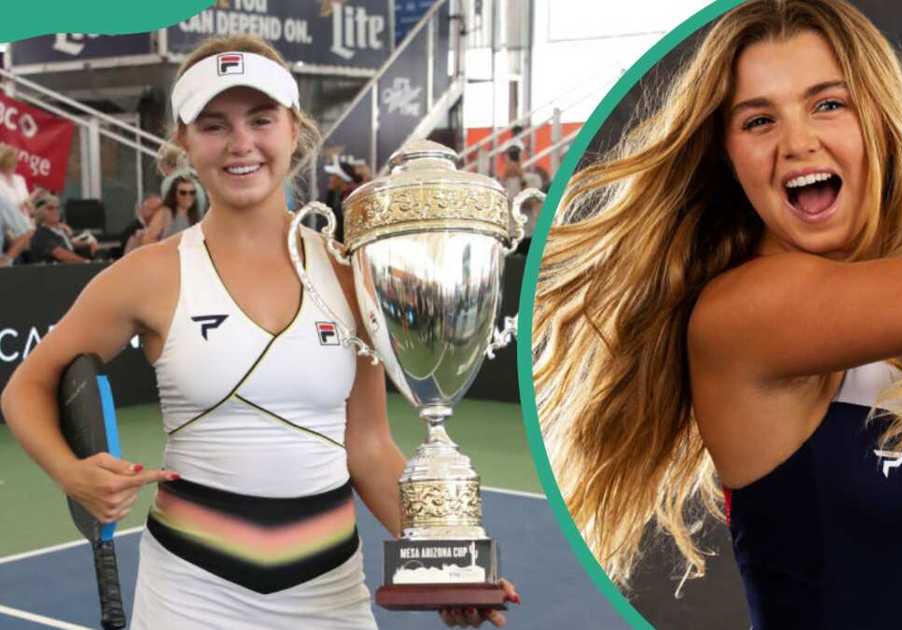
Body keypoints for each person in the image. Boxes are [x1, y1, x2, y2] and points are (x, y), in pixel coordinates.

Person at [533, 1, 902, 628]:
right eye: (759, 120)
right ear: (728, 156)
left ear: (879, 118)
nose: (797, 142)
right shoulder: (748, 312)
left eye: (827, 104)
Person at [1, 34, 516, 628]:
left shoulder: (352, 272)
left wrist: (447, 568)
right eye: (214, 125)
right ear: (183, 143)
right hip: (188, 597)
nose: (241, 144)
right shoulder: (145, 275)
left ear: (294, 130)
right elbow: (26, 388)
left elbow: (368, 446)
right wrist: (73, 475)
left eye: (261, 119)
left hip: (330, 598)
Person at [27, 193, 96, 264]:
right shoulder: (40, 233)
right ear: (40, 212)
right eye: (50, 208)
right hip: (52, 271)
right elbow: (59, 253)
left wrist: (88, 243)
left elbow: (68, 245)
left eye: (57, 208)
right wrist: (86, 262)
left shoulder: (60, 231)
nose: (55, 211)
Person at [145, 175, 202, 243]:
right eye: (183, 192)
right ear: (174, 194)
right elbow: (147, 239)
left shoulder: (194, 216)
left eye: (192, 192)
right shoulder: (165, 213)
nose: (188, 196)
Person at [0, 144, 32, 217]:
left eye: (15, 161)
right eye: (12, 162)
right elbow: (4, 211)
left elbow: (26, 201)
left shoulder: (20, 179)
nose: (15, 165)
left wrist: (30, 204)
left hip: (24, 223)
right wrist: (21, 206)